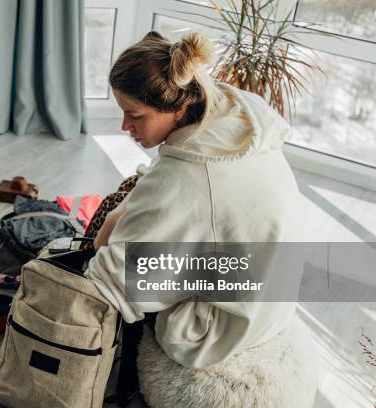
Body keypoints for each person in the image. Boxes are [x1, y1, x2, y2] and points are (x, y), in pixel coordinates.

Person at [83, 31, 302, 369]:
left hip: (221, 329)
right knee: (135, 197)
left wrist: (108, 229)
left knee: (119, 245)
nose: (125, 125)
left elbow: (115, 280)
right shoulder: (234, 124)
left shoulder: (187, 175)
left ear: (177, 107)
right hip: (274, 296)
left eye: (136, 115)